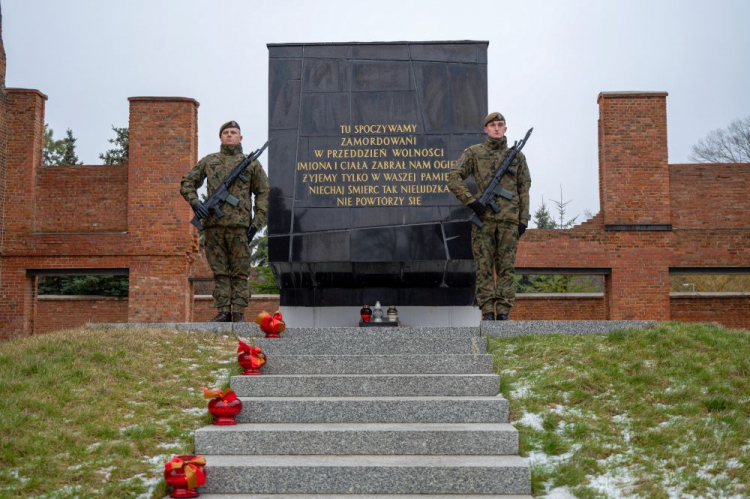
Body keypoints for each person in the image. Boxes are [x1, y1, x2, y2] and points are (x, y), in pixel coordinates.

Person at [180, 121, 269, 322]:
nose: (229, 135)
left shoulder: (251, 164)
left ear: (241, 137)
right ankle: (223, 311)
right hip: (214, 226)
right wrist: (196, 204)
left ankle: (238, 312)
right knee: (220, 272)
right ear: (221, 137)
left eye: (233, 132)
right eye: (226, 133)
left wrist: (257, 222)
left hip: (240, 227)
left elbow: (263, 192)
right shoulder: (209, 161)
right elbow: (187, 183)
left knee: (240, 271)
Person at [448, 112, 531, 321]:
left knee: (506, 268)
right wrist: (471, 201)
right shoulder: (474, 153)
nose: (496, 128)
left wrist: (523, 220)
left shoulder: (517, 157)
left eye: (500, 124)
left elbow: (524, 189)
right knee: (483, 267)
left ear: (505, 129)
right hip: (483, 221)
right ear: (485, 129)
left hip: (509, 222)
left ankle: (503, 311)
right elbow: (453, 177)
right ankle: (487, 310)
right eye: (492, 125)